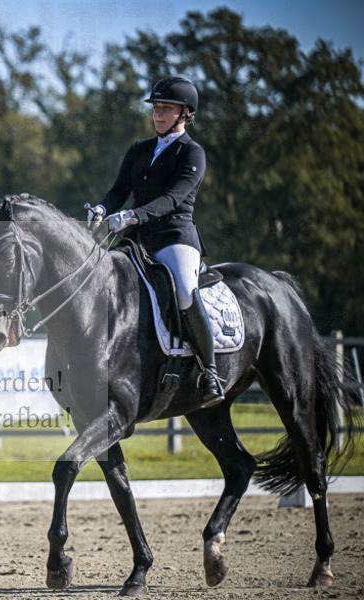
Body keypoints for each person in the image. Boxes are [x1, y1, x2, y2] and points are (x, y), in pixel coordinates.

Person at [87, 76, 223, 409]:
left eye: (167, 109)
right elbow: (119, 189)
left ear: (185, 113)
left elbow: (173, 199)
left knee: (184, 292)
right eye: (157, 109)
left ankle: (210, 372)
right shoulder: (139, 149)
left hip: (174, 237)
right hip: (136, 238)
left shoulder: (193, 152)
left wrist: (133, 216)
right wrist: (104, 207)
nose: (158, 115)